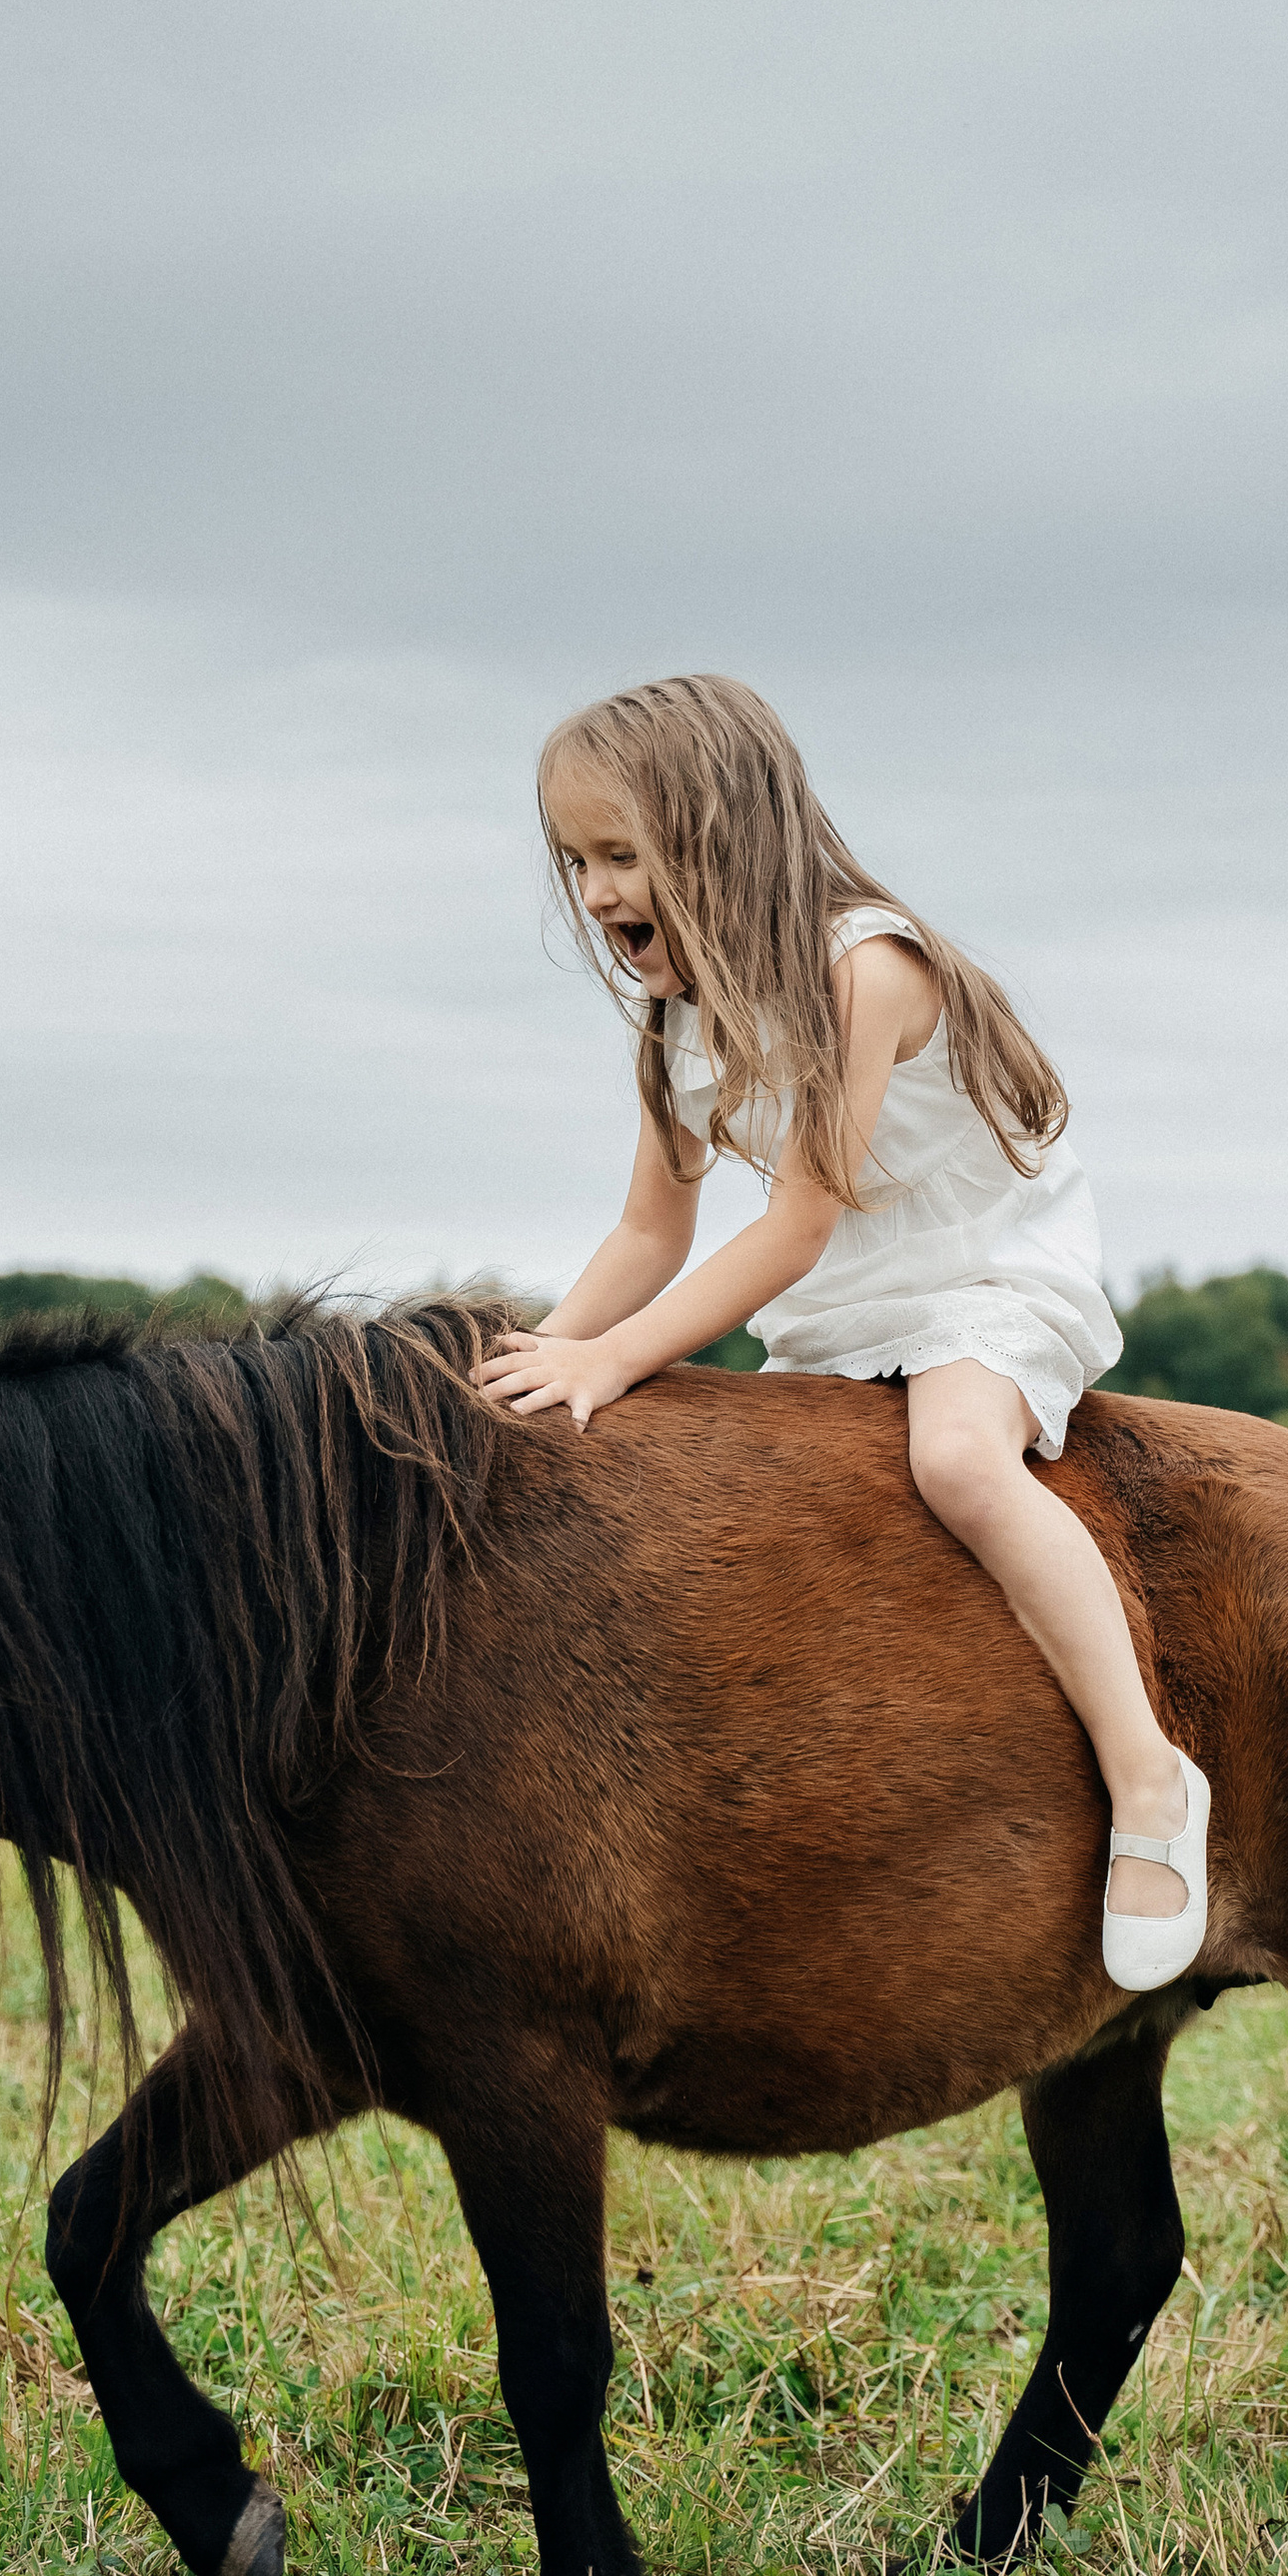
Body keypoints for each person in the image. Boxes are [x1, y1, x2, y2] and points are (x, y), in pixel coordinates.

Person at [479, 671, 1208, 1991]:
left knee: (961, 1467)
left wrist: (619, 1358)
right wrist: (537, 1358)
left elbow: (795, 1225)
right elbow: (651, 1234)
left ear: (723, 832)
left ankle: (1151, 1780)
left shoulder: (861, 966)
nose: (593, 894)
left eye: (622, 856)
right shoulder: (674, 1019)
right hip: (841, 1297)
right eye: (575, 860)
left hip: (978, 1265)